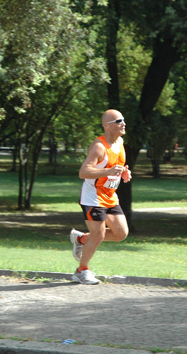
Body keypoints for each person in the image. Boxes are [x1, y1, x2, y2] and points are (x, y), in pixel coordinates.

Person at [69, 109, 132, 285]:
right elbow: (84, 172)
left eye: (123, 120)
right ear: (107, 125)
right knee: (98, 235)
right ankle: (82, 271)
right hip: (93, 197)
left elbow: (116, 166)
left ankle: (81, 239)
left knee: (121, 233)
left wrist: (124, 173)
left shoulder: (120, 142)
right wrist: (109, 172)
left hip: (110, 196)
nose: (123, 123)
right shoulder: (99, 146)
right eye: (119, 121)